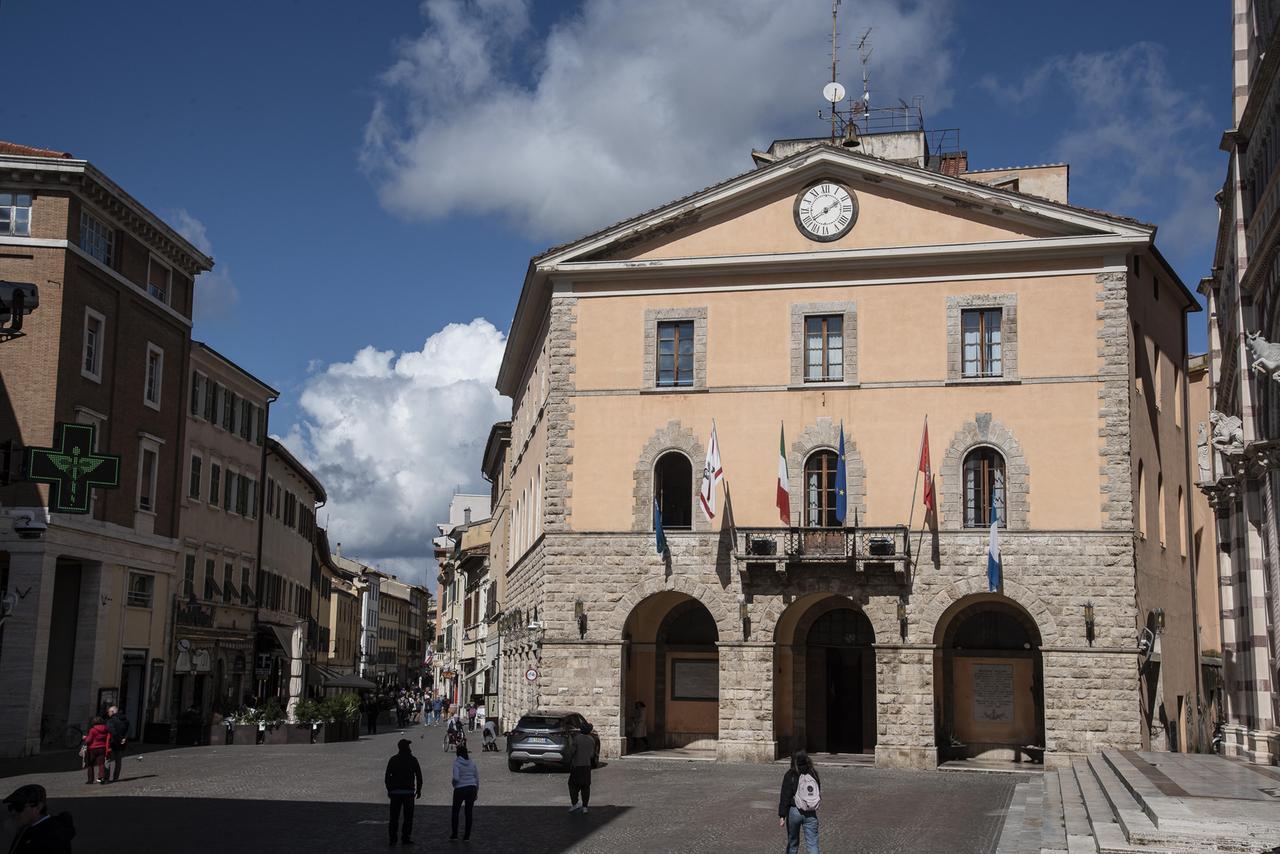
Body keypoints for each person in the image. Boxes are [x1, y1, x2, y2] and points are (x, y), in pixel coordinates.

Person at [3, 784, 76, 853]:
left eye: (18, 807)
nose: (13, 812)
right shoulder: (26, 828)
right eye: (11, 807)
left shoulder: (54, 836)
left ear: (38, 807)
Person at [778, 750, 821, 854]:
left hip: (794, 811)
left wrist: (782, 815)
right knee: (813, 844)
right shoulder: (813, 773)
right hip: (811, 812)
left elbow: (785, 796)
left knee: (793, 843)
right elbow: (817, 790)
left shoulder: (790, 774)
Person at [384, 738, 422, 846]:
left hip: (395, 792)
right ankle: (405, 838)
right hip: (408, 792)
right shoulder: (413, 759)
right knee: (408, 818)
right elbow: (419, 776)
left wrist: (389, 789)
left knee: (394, 817)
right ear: (407, 748)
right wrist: (419, 790)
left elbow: (387, 777)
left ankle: (392, 838)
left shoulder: (393, 759)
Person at [449, 743, 479, 840]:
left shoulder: (457, 763)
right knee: (469, 813)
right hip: (472, 788)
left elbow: (456, 778)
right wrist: (476, 791)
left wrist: (454, 784)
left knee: (455, 812)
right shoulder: (472, 762)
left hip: (460, 789)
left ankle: (454, 834)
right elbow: (477, 778)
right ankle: (467, 836)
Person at [566, 722, 596, 814]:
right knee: (585, 787)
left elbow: (572, 751)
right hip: (587, 766)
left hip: (577, 766)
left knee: (572, 785)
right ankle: (585, 807)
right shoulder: (591, 740)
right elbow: (592, 754)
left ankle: (575, 803)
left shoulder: (577, 739)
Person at [81, 717, 111, 785]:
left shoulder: (93, 730)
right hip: (102, 748)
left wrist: (85, 738)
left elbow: (88, 740)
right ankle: (102, 779)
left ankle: (90, 780)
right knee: (101, 764)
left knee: (90, 764)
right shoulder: (106, 729)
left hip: (92, 749)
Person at [105, 705, 129, 783]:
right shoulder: (125, 720)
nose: (108, 713)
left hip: (111, 743)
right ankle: (116, 777)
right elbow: (129, 730)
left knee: (107, 760)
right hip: (121, 743)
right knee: (118, 760)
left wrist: (119, 739)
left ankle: (107, 778)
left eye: (108, 712)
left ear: (112, 712)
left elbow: (112, 731)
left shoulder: (110, 721)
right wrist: (124, 738)